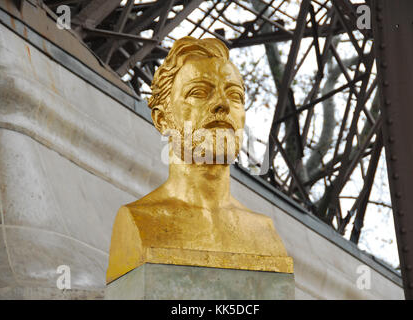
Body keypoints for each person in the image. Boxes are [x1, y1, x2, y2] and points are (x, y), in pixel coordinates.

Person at [106, 37, 290, 283]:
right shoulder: (138, 221)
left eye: (235, 95)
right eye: (199, 92)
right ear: (163, 120)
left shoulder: (265, 235)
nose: (222, 105)